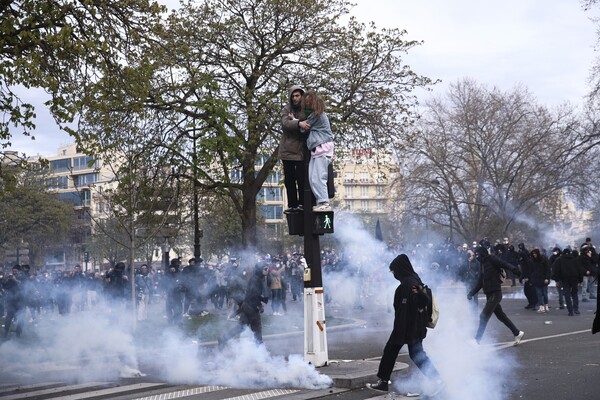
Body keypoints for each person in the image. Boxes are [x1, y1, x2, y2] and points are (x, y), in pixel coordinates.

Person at [367, 254, 445, 397]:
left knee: (410, 354)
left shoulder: (411, 282)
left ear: (400, 269)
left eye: (394, 271)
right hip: (407, 327)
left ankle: (438, 380)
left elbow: (422, 302)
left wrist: (420, 295)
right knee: (400, 352)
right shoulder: (410, 281)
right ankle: (384, 381)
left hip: (409, 327)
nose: (394, 274)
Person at [467, 246, 525, 345]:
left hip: (495, 293)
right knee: (501, 316)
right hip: (489, 294)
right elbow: (480, 282)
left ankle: (477, 340)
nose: (476, 257)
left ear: (482, 253)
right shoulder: (482, 264)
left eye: (477, 254)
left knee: (483, 316)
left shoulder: (492, 259)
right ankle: (517, 333)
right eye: (475, 255)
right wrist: (471, 293)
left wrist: (515, 270)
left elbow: (504, 264)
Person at [219, 261, 270, 348]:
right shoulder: (256, 280)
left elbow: (252, 294)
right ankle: (261, 350)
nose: (267, 270)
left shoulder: (257, 278)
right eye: (265, 269)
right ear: (260, 270)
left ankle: (223, 338)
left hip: (248, 306)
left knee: (241, 327)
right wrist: (259, 305)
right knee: (257, 329)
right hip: (252, 307)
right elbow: (253, 294)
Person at [301, 90, 334, 212]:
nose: (307, 104)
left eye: (309, 102)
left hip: (322, 148)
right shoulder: (318, 115)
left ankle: (324, 202)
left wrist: (296, 122)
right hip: (318, 149)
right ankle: (322, 201)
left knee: (319, 177)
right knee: (313, 178)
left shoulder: (317, 115)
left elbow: (304, 128)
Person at [279, 85, 306, 213]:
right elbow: (285, 124)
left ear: (302, 96)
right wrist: (299, 123)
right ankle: (292, 204)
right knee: (289, 180)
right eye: (293, 96)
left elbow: (309, 124)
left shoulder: (306, 109)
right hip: (287, 151)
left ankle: (302, 203)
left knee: (302, 178)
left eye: (298, 95)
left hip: (301, 150)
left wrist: (295, 121)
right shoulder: (286, 109)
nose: (295, 98)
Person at [552, 248, 583, 316]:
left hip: (564, 279)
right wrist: (580, 280)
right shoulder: (575, 259)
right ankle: (576, 309)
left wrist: (557, 280)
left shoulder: (559, 260)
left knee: (567, 295)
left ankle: (570, 311)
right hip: (574, 279)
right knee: (574, 294)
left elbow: (555, 270)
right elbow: (580, 270)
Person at [530, 249, 551, 313]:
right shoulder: (532, 261)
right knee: (539, 294)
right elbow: (532, 271)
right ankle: (541, 306)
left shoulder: (544, 259)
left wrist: (547, 278)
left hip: (544, 279)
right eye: (533, 254)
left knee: (544, 294)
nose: (534, 255)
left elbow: (548, 269)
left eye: (535, 253)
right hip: (536, 280)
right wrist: (532, 279)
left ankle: (546, 305)